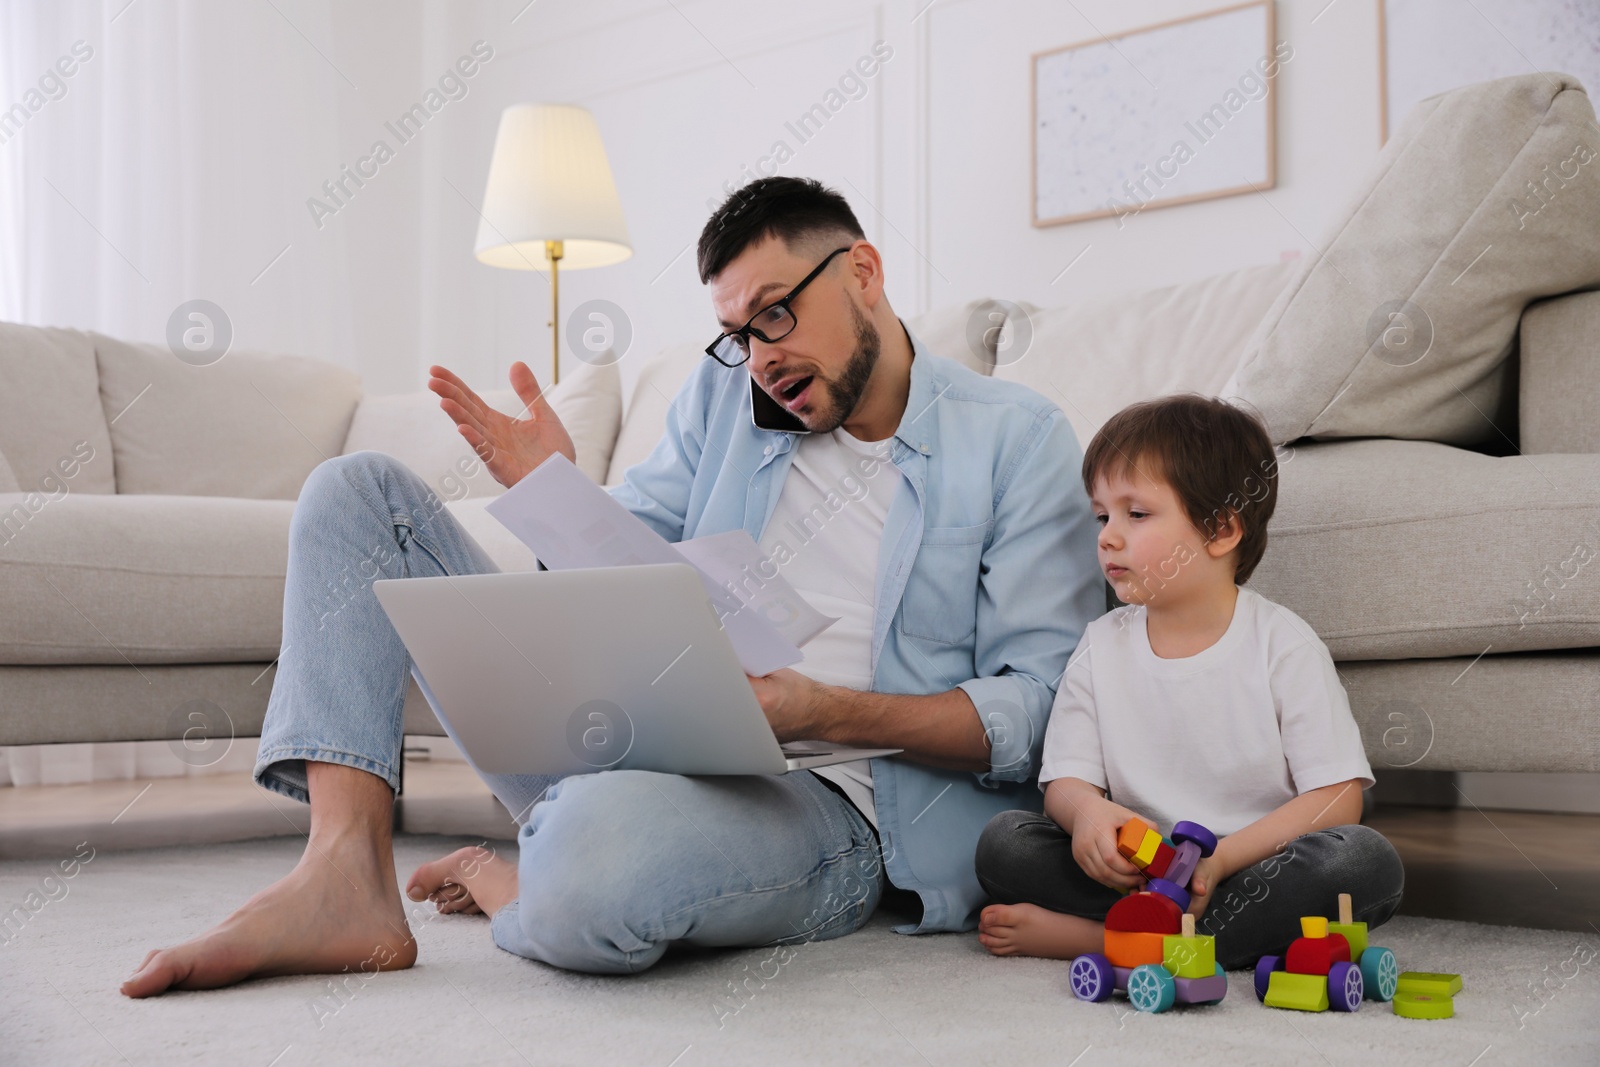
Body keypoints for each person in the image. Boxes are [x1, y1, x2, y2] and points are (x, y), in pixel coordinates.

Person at [121, 176, 1103, 995]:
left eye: (776, 314)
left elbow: (1038, 709)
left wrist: (826, 710)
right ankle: (342, 874)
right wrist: (554, 492)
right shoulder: (725, 394)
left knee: (597, 869)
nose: (762, 360)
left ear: (864, 272)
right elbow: (625, 564)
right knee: (355, 494)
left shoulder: (1014, 439)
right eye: (738, 333)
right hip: (648, 732)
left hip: (840, 802)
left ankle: (521, 871)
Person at [973, 395, 1403, 968]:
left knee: (1364, 862)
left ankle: (1104, 942)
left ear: (1221, 530)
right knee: (1004, 843)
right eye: (1102, 515)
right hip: (1140, 874)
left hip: (1245, 868)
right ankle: (1190, 940)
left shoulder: (1283, 645)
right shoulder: (1100, 645)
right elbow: (1065, 782)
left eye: (1137, 514)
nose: (1107, 535)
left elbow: (1339, 798)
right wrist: (1090, 818)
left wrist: (1220, 860)